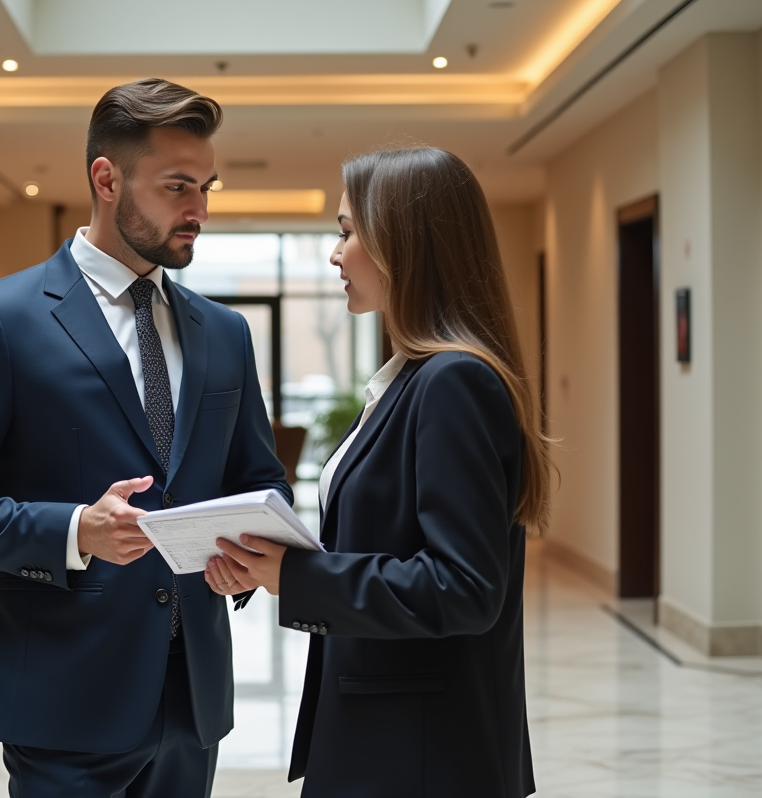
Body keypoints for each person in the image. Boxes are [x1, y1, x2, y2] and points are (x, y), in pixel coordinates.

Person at [0, 78, 291, 798]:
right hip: (62, 695)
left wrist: (251, 551)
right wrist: (76, 529)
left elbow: (260, 478)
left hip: (193, 699)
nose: (199, 210)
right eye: (178, 186)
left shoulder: (226, 332)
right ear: (106, 178)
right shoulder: (0, 319)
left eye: (206, 187)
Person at [206, 147, 549, 797]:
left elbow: (464, 587)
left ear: (405, 242)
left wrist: (297, 575)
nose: (334, 254)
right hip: (395, 728)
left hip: (421, 748)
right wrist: (274, 560)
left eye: (345, 232)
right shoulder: (411, 379)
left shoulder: (453, 382)